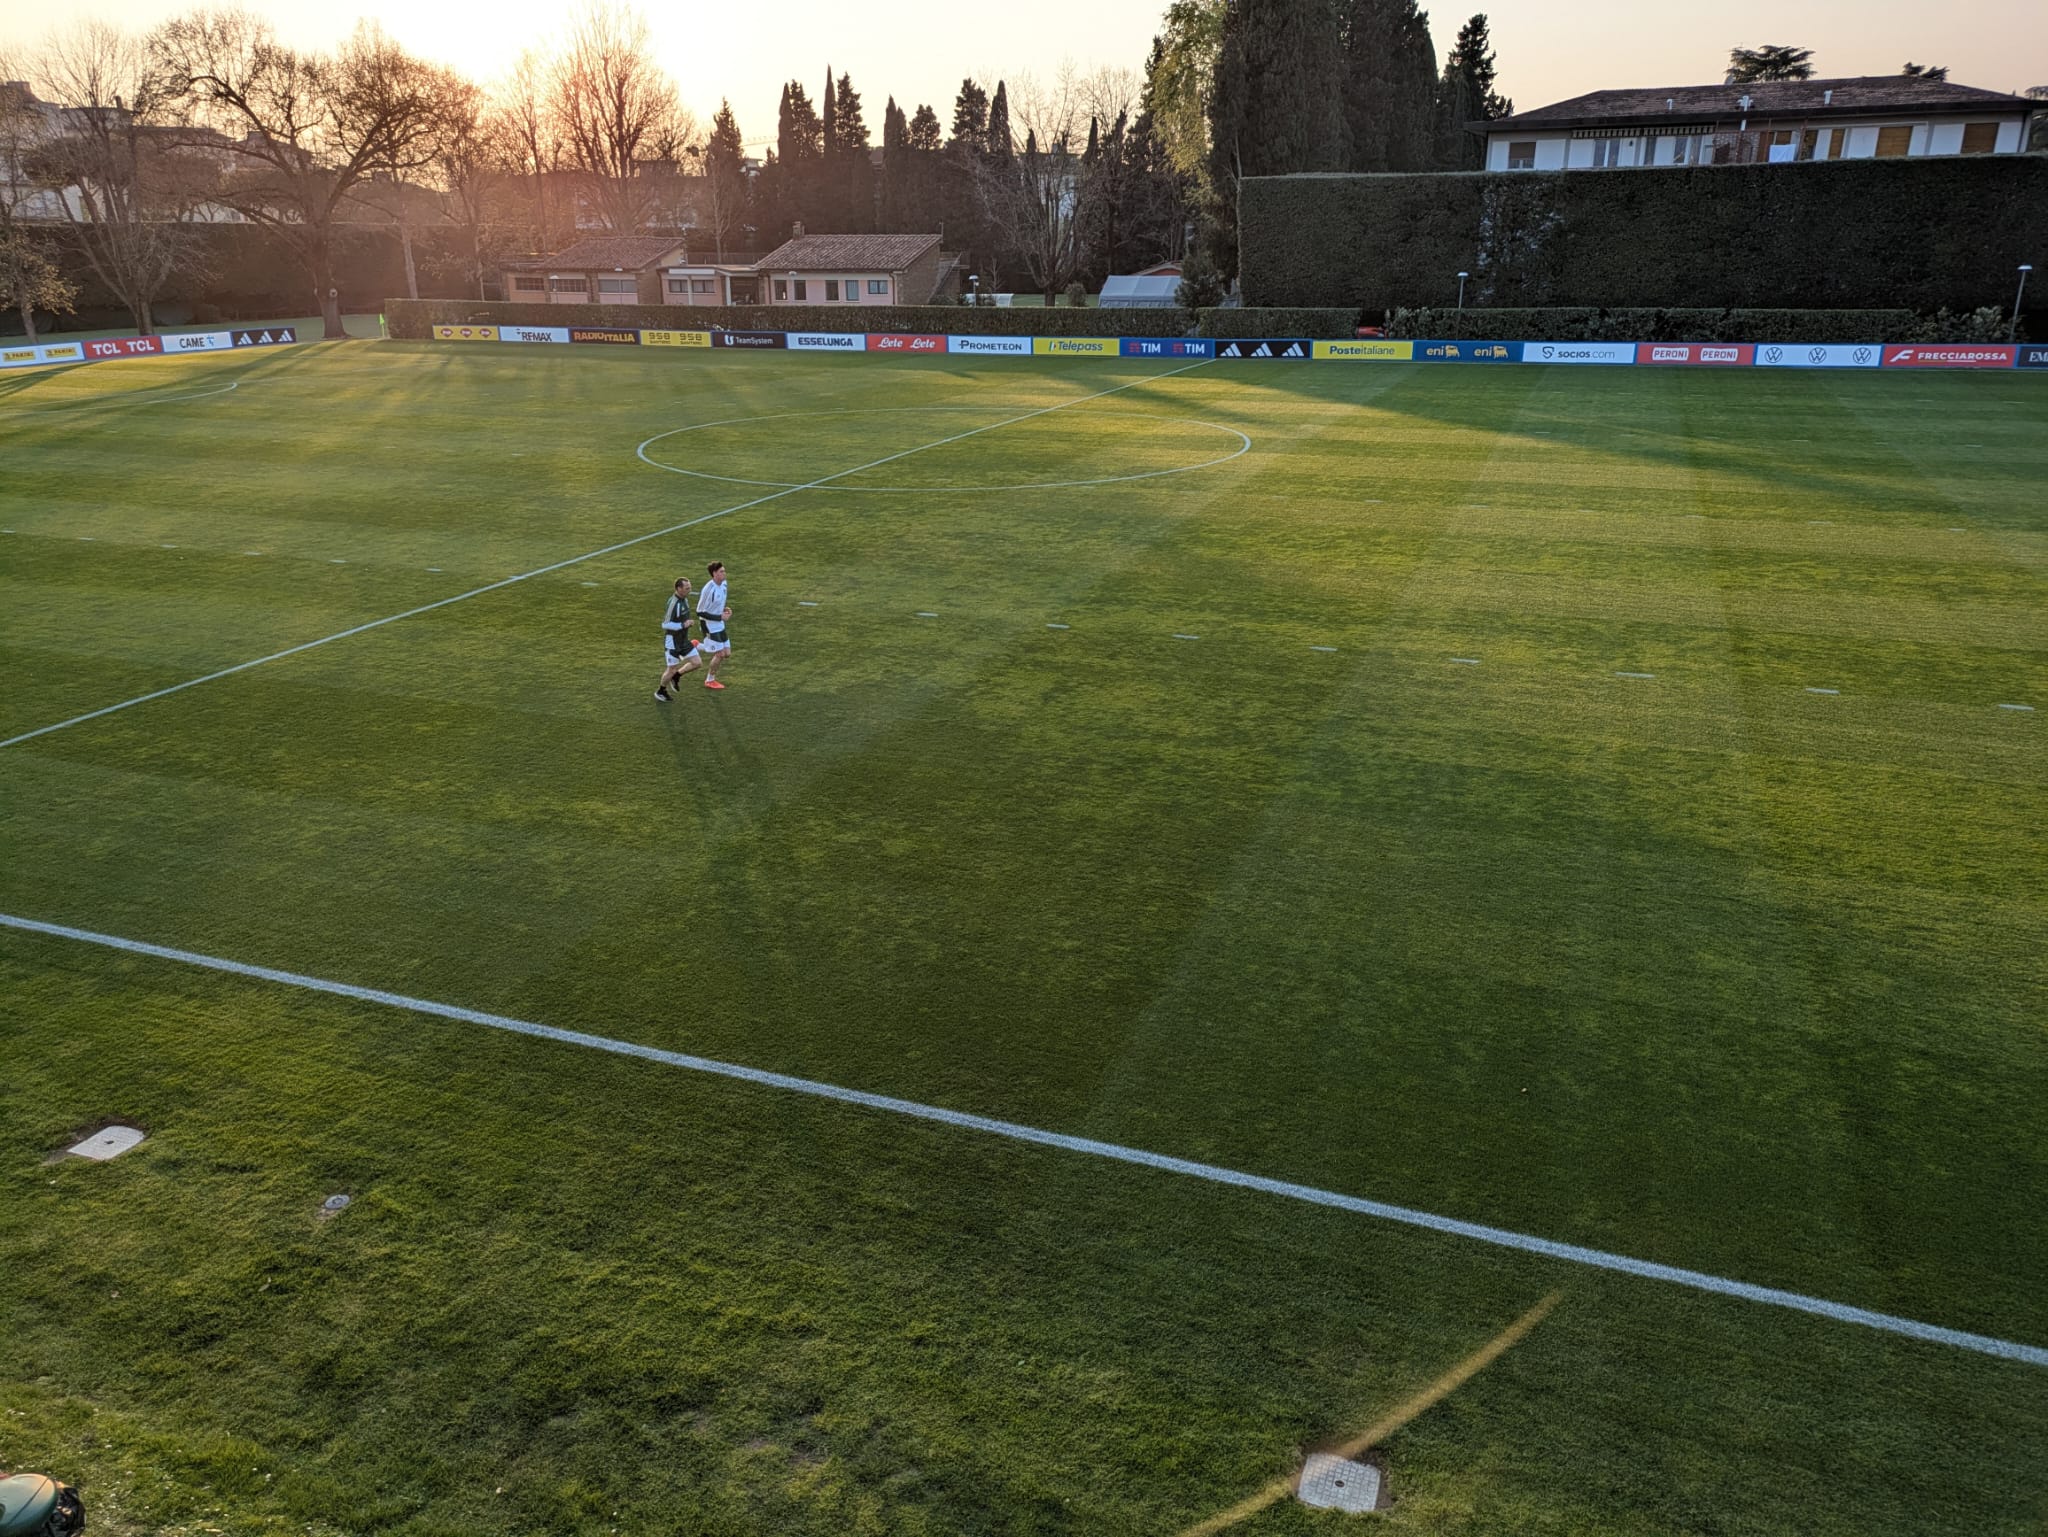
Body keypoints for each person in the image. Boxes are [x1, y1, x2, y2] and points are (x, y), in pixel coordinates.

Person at [655, 577, 697, 701]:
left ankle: (676, 676)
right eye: (687, 588)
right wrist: (683, 625)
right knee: (671, 669)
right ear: (679, 589)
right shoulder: (673, 603)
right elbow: (665, 624)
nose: (689, 590)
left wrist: (688, 623)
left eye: (690, 587)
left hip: (683, 640)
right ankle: (661, 691)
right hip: (672, 641)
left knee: (697, 662)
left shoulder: (685, 599)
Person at [696, 560, 732, 690]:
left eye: (724, 571)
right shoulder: (708, 590)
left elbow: (719, 601)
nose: (724, 573)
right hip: (709, 625)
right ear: (714, 573)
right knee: (720, 654)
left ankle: (697, 646)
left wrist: (724, 610)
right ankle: (710, 680)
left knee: (727, 653)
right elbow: (699, 611)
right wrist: (719, 616)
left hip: (719, 623)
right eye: (721, 571)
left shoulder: (724, 584)